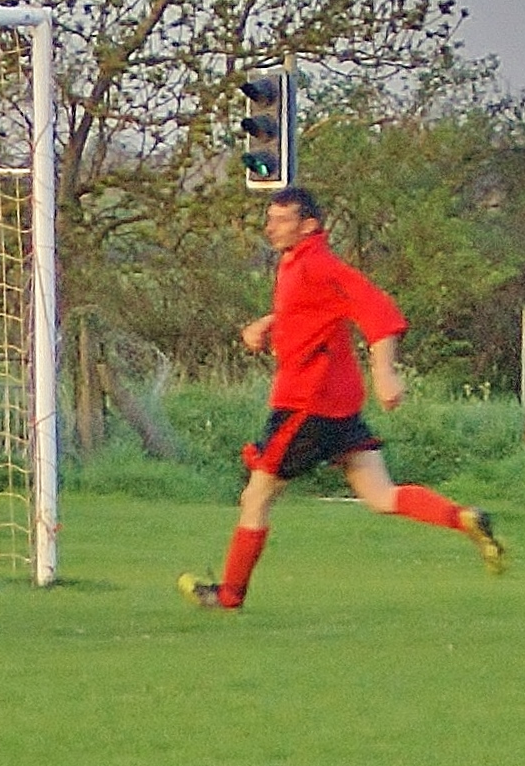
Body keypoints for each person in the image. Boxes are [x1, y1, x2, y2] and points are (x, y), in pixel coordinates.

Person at [179, 186, 503, 610]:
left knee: (255, 497)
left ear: (309, 225)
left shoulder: (318, 264)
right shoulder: (297, 263)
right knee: (381, 495)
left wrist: (385, 373)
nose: (270, 227)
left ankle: (229, 596)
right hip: (336, 406)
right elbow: (310, 310)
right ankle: (463, 518)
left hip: (305, 405)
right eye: (270, 218)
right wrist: (268, 324)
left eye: (281, 220)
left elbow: (378, 311)